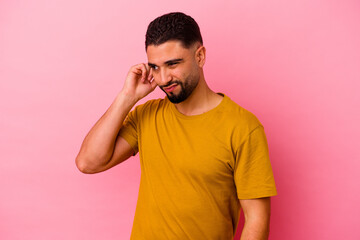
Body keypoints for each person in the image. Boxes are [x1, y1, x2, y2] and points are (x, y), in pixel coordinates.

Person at [76, 12, 277, 240]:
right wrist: (127, 97)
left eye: (172, 64)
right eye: (155, 67)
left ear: (199, 56)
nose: (162, 79)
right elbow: (88, 163)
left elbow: (257, 220)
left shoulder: (243, 127)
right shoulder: (146, 115)